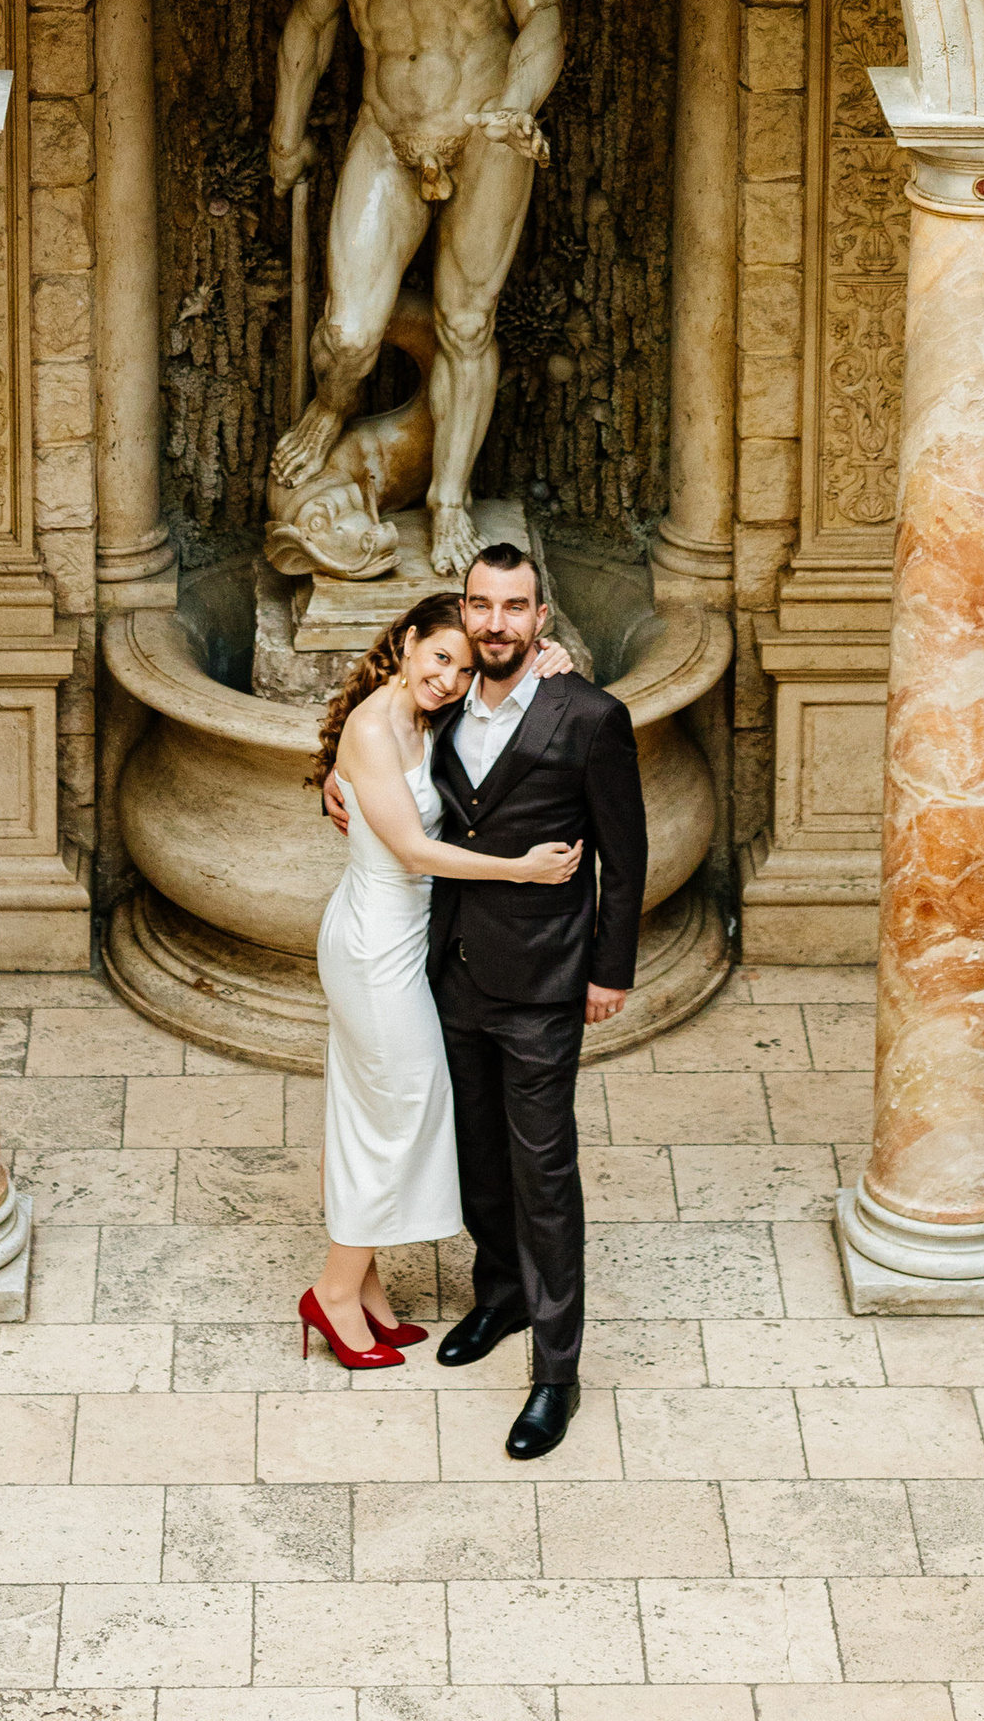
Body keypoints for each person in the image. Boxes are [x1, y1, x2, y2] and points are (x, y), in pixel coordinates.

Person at [323, 536, 647, 1458]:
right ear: (461, 612)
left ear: (541, 618)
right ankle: (499, 1296)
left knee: (543, 1174)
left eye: (514, 608)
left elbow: (626, 856)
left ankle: (556, 1375)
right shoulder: (443, 701)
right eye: (481, 605)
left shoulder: (590, 716)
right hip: (446, 972)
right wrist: (336, 794)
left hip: (543, 981)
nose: (495, 624)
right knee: (476, 1155)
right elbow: (389, 787)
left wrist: (609, 970)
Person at [267, 0, 562, 581]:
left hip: (485, 131)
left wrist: (516, 105)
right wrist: (287, 131)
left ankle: (449, 501)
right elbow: (314, 19)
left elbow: (543, 18)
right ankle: (332, 405)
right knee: (347, 332)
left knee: (466, 323)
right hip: (386, 132)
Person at [302, 592, 581, 1374]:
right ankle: (332, 1291)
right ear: (407, 643)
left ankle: (365, 1289)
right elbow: (416, 853)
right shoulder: (372, 728)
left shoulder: (430, 715)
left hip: (406, 938)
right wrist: (521, 871)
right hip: (374, 947)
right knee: (402, 1114)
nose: (452, 679)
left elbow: (512, 683)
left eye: (462, 668)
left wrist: (552, 656)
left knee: (368, 1112)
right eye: (440, 658)